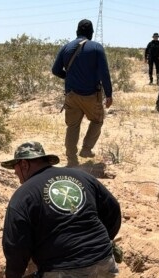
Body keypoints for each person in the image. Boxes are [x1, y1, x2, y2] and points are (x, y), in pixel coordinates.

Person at [0, 141, 121, 278]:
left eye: (16, 169)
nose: (16, 174)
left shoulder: (23, 195)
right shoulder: (81, 177)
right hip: (104, 265)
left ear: (24, 165)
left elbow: (16, 244)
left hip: (64, 274)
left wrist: (12, 276)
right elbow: (113, 209)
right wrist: (101, 243)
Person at [52, 19, 113, 167]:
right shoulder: (96, 47)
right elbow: (104, 73)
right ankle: (86, 149)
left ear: (77, 32)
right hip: (91, 95)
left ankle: (72, 160)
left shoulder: (66, 47)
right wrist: (109, 94)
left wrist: (69, 77)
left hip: (71, 95)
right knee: (97, 120)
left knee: (72, 127)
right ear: (91, 33)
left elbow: (55, 70)